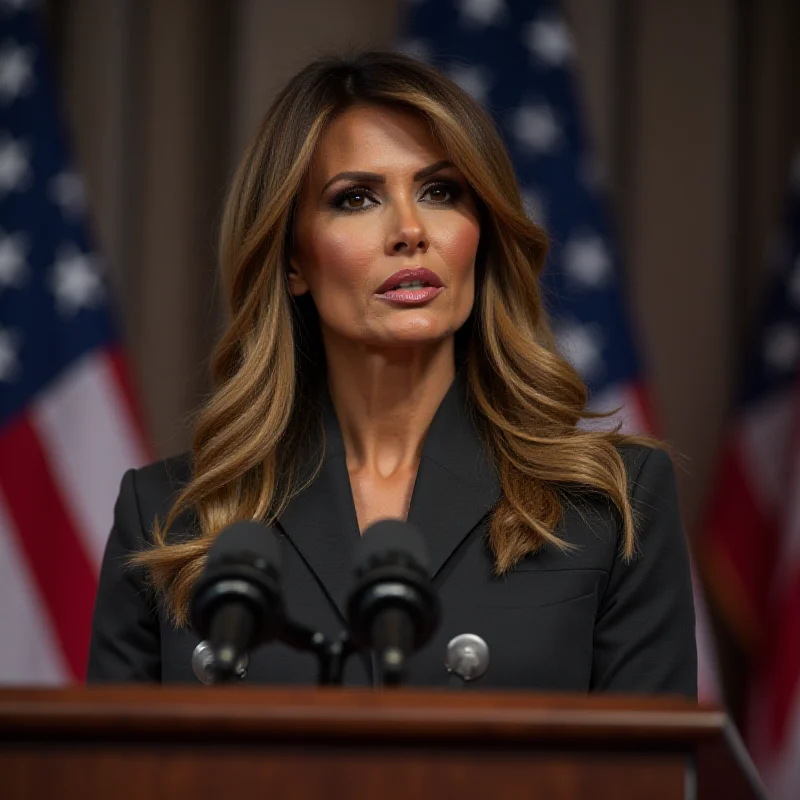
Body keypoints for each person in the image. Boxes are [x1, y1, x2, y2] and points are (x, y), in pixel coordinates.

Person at [87, 51, 697, 695]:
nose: (410, 230)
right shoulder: (165, 519)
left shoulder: (612, 503)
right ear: (294, 259)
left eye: (440, 192)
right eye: (355, 198)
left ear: (481, 233)